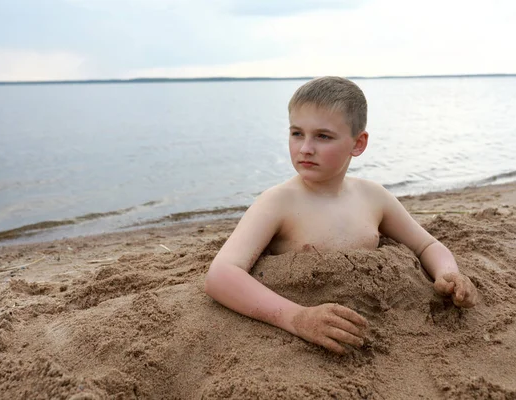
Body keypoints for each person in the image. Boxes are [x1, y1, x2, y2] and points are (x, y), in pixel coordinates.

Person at [204, 76, 479, 355]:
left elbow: (427, 245)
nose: (305, 148)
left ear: (358, 144)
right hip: (302, 337)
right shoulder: (278, 202)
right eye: (297, 133)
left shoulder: (373, 197)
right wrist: (297, 318)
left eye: (323, 136)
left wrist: (449, 273)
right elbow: (221, 274)